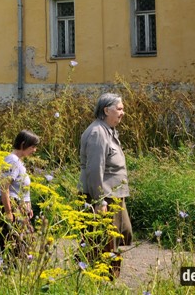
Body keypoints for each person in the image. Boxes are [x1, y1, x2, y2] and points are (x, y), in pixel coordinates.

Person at [78, 92, 132, 279]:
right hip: (103, 196)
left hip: (113, 196)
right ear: (106, 110)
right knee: (104, 239)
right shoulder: (97, 133)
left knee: (117, 235)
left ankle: (106, 275)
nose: (122, 112)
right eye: (119, 108)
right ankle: (101, 277)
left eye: (122, 108)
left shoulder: (108, 131)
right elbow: (95, 169)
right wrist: (99, 200)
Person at [0, 129, 40, 258]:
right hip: (11, 206)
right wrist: (8, 212)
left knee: (21, 244)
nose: (34, 150)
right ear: (23, 144)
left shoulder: (18, 161)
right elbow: (4, 187)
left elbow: (21, 188)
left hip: (19, 207)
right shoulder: (12, 161)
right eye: (33, 146)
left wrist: (27, 205)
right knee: (11, 244)